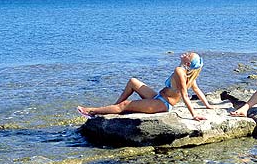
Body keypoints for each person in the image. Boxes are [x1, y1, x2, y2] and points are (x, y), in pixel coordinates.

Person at [77, 52, 213, 121]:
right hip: (159, 97)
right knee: (133, 81)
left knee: (125, 105)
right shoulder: (189, 74)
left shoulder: (180, 72)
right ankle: (112, 109)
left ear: (188, 64)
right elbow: (197, 90)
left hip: (162, 104)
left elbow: (185, 95)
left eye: (188, 55)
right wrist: (207, 106)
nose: (186, 53)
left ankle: (91, 111)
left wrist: (194, 115)